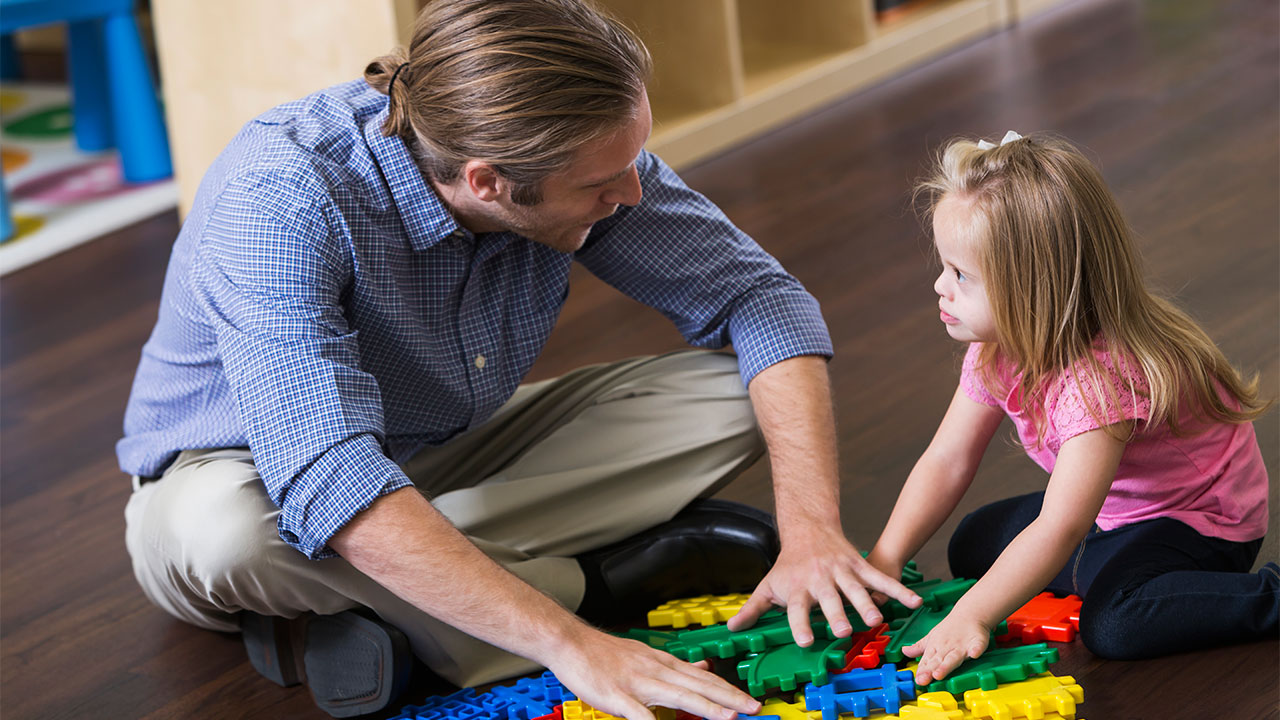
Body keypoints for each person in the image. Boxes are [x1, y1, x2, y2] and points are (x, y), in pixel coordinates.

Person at [118, 0, 920, 717]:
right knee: (225, 536)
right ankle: (593, 583)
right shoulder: (281, 199)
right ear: (488, 183)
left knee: (751, 393)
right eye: (605, 184)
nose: (633, 198)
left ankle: (389, 615)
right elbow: (328, 478)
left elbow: (760, 300)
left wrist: (811, 527)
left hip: (441, 449)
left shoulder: (569, 144)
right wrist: (575, 641)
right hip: (243, 476)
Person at [866, 130, 1278, 686]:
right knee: (974, 543)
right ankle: (1099, 567)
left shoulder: (1096, 383)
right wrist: (884, 560)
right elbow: (948, 459)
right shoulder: (997, 348)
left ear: (1031, 289)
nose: (940, 286)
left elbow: (1060, 526)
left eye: (960, 275)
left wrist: (973, 616)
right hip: (1110, 510)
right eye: (945, 267)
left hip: (1197, 522)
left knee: (1117, 624)